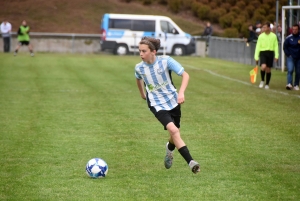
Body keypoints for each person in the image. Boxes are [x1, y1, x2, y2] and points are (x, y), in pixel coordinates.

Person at [134, 37, 200, 174]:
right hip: (156, 104)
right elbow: (138, 78)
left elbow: (185, 75)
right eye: (139, 51)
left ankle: (169, 149)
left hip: (173, 101)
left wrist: (181, 93)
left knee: (175, 132)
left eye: (144, 51)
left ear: (153, 51)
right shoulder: (139, 67)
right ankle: (191, 162)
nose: (140, 54)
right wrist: (142, 94)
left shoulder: (166, 61)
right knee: (174, 131)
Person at [254, 22, 279, 89]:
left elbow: (276, 46)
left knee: (268, 69)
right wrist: (256, 56)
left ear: (268, 28)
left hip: (270, 53)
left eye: (265, 27)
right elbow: (258, 47)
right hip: (263, 53)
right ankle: (262, 80)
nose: (263, 28)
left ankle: (267, 84)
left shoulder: (273, 36)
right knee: (263, 67)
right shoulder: (261, 36)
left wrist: (276, 56)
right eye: (263, 27)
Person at [283, 24, 300, 90]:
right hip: (291, 57)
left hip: (298, 57)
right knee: (290, 70)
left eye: (296, 29)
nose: (295, 31)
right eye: (293, 29)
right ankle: (289, 83)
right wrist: (288, 54)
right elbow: (285, 47)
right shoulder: (288, 38)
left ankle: (296, 84)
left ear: (298, 30)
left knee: (298, 72)